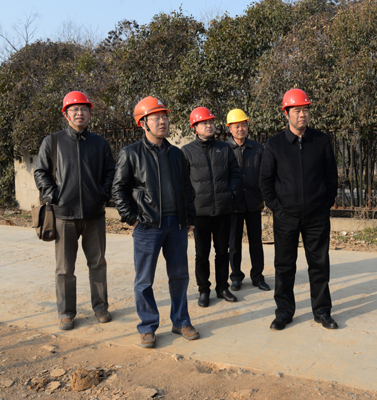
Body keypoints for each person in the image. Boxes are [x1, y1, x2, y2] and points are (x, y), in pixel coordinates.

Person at [112, 96, 199, 348]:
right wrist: (132, 219)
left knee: (179, 276)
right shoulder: (130, 153)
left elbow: (187, 188)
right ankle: (148, 326)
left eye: (164, 117)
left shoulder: (176, 154)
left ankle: (181, 321)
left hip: (176, 226)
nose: (163, 122)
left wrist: (189, 217)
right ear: (143, 123)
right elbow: (118, 190)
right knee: (144, 280)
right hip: (147, 227)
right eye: (156, 118)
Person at [34, 91, 115, 331]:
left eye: (84, 109)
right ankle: (66, 312)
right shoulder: (53, 142)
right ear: (66, 114)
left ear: (90, 113)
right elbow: (41, 172)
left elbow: (110, 172)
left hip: (94, 215)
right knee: (64, 269)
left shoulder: (99, 143)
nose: (80, 113)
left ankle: (100, 307)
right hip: (64, 216)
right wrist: (54, 196)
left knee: (97, 263)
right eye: (75, 109)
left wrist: (102, 194)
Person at [259, 89, 338, 330]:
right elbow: (265, 180)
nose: (302, 115)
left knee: (319, 265)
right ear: (286, 114)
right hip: (286, 217)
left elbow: (331, 177)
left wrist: (324, 206)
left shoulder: (321, 141)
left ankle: (322, 311)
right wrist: (277, 208)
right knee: (284, 266)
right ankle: (284, 311)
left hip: (316, 217)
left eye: (305, 110)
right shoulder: (275, 144)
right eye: (297, 111)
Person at [181, 107, 241, 308]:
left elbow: (235, 173)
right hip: (200, 213)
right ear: (195, 127)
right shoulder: (187, 152)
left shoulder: (224, 149)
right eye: (204, 123)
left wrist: (231, 193)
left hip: (223, 210)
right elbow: (183, 182)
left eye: (210, 122)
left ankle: (222, 287)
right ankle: (204, 290)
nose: (209, 125)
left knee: (223, 251)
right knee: (202, 254)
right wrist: (190, 207)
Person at [226, 109, 270, 292]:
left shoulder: (257, 148)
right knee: (234, 243)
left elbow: (265, 174)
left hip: (253, 202)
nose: (240, 129)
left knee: (256, 243)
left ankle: (258, 276)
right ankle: (236, 277)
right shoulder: (224, 149)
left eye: (243, 125)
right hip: (233, 204)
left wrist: (263, 195)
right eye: (236, 126)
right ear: (229, 128)